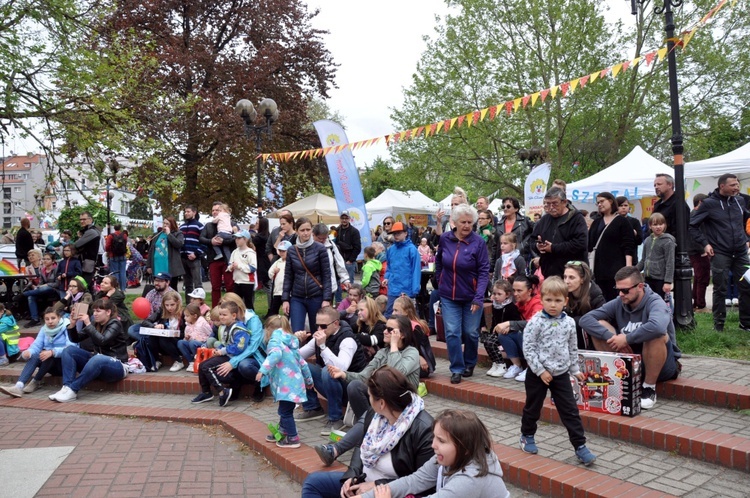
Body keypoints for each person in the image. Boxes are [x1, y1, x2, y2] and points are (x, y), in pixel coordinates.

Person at [301, 366, 434, 498]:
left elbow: (421, 483)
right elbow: (361, 445)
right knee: (313, 483)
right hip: (363, 482)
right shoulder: (375, 414)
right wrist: (352, 475)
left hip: (390, 492)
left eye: (369, 396)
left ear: (381, 403)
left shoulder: (424, 429)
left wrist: (376, 485)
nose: (369, 400)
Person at [518, 276, 597, 466]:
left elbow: (572, 347)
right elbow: (528, 348)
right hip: (538, 375)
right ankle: (527, 435)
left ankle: (580, 446)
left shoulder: (569, 323)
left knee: (570, 411)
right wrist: (539, 370)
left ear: (565, 301)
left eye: (558, 300)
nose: (553, 305)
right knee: (533, 407)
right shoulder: (536, 321)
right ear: (542, 299)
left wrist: (574, 369)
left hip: (560, 374)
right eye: (549, 300)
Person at [579, 266, 682, 409]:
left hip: (662, 363)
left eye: (625, 290)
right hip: (631, 361)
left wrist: (626, 339)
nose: (621, 294)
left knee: (656, 334)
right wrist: (613, 337)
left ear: (640, 286)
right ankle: (619, 378)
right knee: (600, 326)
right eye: (618, 289)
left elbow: (658, 327)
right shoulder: (619, 302)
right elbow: (585, 320)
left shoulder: (655, 302)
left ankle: (649, 388)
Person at [358, 409, 510, 498]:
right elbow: (413, 481)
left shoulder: (470, 480)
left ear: (465, 448)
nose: (433, 445)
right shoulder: (447, 459)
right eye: (434, 438)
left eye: (441, 441)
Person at [435, 204, 490, 384]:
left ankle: (470, 362)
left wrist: (479, 296)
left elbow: (484, 271)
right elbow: (439, 260)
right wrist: (439, 279)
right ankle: (457, 368)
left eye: (470, 222)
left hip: (471, 296)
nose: (467, 225)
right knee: (452, 332)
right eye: (463, 222)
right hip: (448, 295)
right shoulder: (445, 239)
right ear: (455, 222)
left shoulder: (478, 242)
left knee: (471, 333)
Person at [689, 173, 750, 332]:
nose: (737, 187)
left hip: (741, 252)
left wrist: (746, 237)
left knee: (747, 286)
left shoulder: (741, 200)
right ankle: (719, 326)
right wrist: (705, 244)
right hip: (720, 252)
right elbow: (692, 226)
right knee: (720, 288)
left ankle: (746, 324)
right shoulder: (709, 204)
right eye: (733, 185)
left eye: (737, 184)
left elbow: (745, 221)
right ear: (722, 186)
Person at [295, 306, 367, 434]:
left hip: (351, 390)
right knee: (301, 365)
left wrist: (322, 346)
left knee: (328, 371)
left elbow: (341, 368)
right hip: (333, 386)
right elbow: (296, 357)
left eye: (323, 326)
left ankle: (335, 418)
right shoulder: (321, 336)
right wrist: (294, 341)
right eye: (317, 325)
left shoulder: (347, 339)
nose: (319, 330)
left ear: (336, 324)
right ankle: (313, 407)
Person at [49, 299, 129, 402]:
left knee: (97, 358)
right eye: (94, 311)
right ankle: (66, 387)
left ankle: (72, 390)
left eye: (98, 311)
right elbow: (76, 339)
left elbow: (102, 341)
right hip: (97, 363)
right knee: (69, 350)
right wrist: (72, 324)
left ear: (108, 312)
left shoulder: (115, 324)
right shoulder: (95, 323)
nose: (95, 314)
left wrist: (87, 323)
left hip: (117, 365)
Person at [256, 314, 314, 449]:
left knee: (285, 412)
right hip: (294, 384)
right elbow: (303, 364)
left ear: (269, 329)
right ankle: (283, 431)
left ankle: (293, 437)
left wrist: (262, 370)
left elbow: (275, 355)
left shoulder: (275, 342)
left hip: (285, 385)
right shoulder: (291, 344)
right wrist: (309, 380)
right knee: (285, 409)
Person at [0, 307, 72, 397]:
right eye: (47, 319)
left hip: (63, 365)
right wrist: (29, 352)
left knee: (49, 355)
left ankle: (36, 381)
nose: (50, 321)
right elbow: (36, 345)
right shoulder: (44, 329)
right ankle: (19, 386)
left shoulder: (68, 327)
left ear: (59, 318)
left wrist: (52, 352)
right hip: (48, 364)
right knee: (35, 355)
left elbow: (71, 347)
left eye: (53, 318)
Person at [191, 300, 249, 407]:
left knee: (206, 367)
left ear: (234, 315)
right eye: (220, 314)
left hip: (234, 358)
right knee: (203, 365)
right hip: (226, 355)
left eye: (224, 315)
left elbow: (239, 348)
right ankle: (206, 393)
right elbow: (225, 343)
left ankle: (222, 391)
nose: (221, 317)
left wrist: (222, 351)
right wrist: (218, 350)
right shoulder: (225, 327)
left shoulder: (239, 329)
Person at [282, 217, 332, 333]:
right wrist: (285, 299)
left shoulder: (320, 249)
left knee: (318, 331)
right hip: (297, 297)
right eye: (302, 230)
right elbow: (288, 276)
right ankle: (298, 351)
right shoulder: (291, 250)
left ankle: (318, 351)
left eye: (308, 230)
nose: (305, 233)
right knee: (297, 332)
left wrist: (326, 298)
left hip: (316, 296)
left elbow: (326, 275)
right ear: (296, 231)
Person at [588, 192, 635, 302]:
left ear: (610, 201)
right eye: (598, 202)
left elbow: (628, 245)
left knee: (615, 298)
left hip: (616, 267)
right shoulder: (596, 222)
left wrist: (628, 268)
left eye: (602, 201)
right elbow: (590, 245)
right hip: (598, 269)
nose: (599, 204)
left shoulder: (622, 221)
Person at [531, 187, 588, 278]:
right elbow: (532, 240)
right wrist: (538, 246)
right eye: (548, 204)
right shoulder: (544, 220)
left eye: (555, 203)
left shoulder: (577, 219)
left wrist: (553, 248)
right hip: (549, 275)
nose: (551, 207)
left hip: (572, 275)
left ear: (564, 202)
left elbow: (580, 244)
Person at [496, 274, 543, 382]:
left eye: (519, 290)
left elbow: (532, 324)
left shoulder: (537, 303)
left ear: (530, 291)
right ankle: (517, 366)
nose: (515, 294)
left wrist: (510, 324)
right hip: (526, 345)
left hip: (540, 346)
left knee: (523, 332)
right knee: (503, 334)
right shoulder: (518, 304)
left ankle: (531, 368)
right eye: (514, 290)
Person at [200, 201, 238, 307]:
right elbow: (201, 238)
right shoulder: (209, 225)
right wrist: (210, 241)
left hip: (227, 260)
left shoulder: (232, 223)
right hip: (213, 259)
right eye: (213, 210)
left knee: (230, 286)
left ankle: (231, 308)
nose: (215, 212)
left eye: (217, 210)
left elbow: (237, 239)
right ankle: (216, 310)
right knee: (215, 287)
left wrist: (224, 242)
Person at [481, 279, 521, 377]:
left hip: (508, 333)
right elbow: (495, 320)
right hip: (498, 332)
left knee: (491, 342)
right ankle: (495, 363)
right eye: (494, 294)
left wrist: (509, 328)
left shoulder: (511, 307)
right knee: (487, 341)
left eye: (499, 294)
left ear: (507, 294)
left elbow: (516, 321)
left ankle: (501, 365)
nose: (496, 297)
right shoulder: (495, 306)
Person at [563, 261, 605, 350]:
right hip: (570, 339)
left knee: (578, 322)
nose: (566, 281)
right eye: (565, 277)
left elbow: (603, 322)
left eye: (571, 277)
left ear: (582, 279)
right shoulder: (564, 293)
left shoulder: (595, 295)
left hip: (592, 339)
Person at [382, 221, 421, 317]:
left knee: (407, 316)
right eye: (394, 233)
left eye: (399, 233)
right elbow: (389, 267)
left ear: (406, 233)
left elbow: (416, 271)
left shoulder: (412, 249)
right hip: (393, 288)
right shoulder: (391, 249)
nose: (396, 235)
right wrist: (387, 277)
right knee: (390, 315)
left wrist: (414, 290)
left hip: (406, 290)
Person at [392, 296, 436, 378]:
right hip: (407, 358)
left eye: (396, 310)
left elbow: (416, 348)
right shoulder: (400, 325)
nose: (393, 313)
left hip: (422, 364)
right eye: (393, 310)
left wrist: (419, 357)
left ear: (406, 312)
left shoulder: (415, 327)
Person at [127, 272, 177, 341]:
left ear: (167, 282)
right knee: (132, 329)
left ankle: (145, 343)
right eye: (156, 280)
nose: (157, 283)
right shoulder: (151, 293)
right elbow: (148, 314)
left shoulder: (174, 295)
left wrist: (159, 326)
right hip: (151, 325)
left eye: (160, 281)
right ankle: (147, 342)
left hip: (165, 327)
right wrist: (152, 325)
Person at [637, 213, 676, 300]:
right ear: (650, 226)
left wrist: (668, 281)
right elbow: (643, 260)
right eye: (655, 224)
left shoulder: (668, 241)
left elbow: (670, 262)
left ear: (665, 225)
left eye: (661, 224)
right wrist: (633, 271)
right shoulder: (647, 240)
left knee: (661, 302)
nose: (658, 227)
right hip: (648, 278)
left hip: (660, 280)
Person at [313, 223, 351, 300]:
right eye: (320, 238)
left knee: (327, 310)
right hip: (313, 287)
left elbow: (339, 262)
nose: (322, 241)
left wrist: (345, 279)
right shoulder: (307, 245)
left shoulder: (331, 245)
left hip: (330, 286)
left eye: (325, 238)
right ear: (313, 235)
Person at [147, 216, 185, 291]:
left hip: (169, 266)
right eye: (164, 223)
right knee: (158, 286)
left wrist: (169, 234)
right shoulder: (157, 235)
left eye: (167, 223)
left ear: (172, 224)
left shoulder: (178, 233)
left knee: (171, 288)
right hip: (157, 265)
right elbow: (151, 250)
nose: (165, 225)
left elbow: (178, 244)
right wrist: (149, 265)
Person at [23, 251, 60, 327]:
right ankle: (35, 319)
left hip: (54, 290)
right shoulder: (42, 270)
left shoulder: (56, 269)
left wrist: (46, 284)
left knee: (45, 288)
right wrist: (38, 286)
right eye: (44, 259)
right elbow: (40, 283)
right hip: (43, 291)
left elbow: (57, 284)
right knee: (31, 297)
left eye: (47, 259)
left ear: (53, 261)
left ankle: (23, 294)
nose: (45, 260)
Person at [495, 196, 534, 264]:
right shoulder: (499, 224)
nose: (505, 209)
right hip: (503, 260)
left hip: (520, 259)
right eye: (503, 207)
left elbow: (537, 233)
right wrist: (492, 267)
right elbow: (495, 246)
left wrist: (526, 244)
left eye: (508, 206)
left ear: (516, 209)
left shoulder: (525, 221)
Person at [688, 194, 710, 311]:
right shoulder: (696, 214)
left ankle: (697, 301)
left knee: (698, 277)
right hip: (698, 250)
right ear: (701, 202)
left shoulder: (693, 213)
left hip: (695, 250)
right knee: (703, 277)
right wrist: (702, 250)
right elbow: (694, 234)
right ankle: (700, 304)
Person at [177, 303, 213, 371]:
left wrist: (203, 341)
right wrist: (186, 338)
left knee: (192, 343)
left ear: (195, 316)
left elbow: (210, 334)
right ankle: (191, 362)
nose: (185, 318)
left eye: (187, 316)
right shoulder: (187, 326)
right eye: (184, 316)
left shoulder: (202, 323)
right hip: (192, 344)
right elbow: (186, 339)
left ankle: (198, 360)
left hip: (202, 344)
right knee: (180, 343)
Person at [653, 173, 689, 240]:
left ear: (670, 185)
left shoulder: (679, 205)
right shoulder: (657, 205)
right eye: (655, 185)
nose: (656, 187)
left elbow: (680, 232)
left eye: (659, 184)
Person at [179, 204, 205, 297]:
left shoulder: (199, 226)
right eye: (185, 212)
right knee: (187, 284)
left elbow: (204, 243)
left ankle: (200, 306)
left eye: (188, 211)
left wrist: (196, 254)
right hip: (183, 258)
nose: (186, 213)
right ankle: (188, 305)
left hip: (194, 258)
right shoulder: (181, 227)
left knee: (198, 284)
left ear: (194, 212)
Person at [335, 210, 361, 302]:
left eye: (346, 218)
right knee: (337, 283)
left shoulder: (354, 231)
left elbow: (357, 247)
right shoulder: (337, 230)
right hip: (338, 261)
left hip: (349, 261)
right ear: (340, 219)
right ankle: (339, 303)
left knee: (349, 285)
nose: (344, 220)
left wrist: (350, 260)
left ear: (349, 219)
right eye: (343, 218)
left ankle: (351, 302)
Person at [228, 230, 257, 310]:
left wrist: (239, 266)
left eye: (239, 238)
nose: (236, 240)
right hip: (237, 281)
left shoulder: (250, 252)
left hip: (247, 281)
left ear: (245, 239)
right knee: (236, 303)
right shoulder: (234, 252)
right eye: (236, 238)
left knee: (248, 303)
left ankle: (251, 319)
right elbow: (229, 264)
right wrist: (231, 267)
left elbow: (253, 268)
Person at [73, 211, 102, 289]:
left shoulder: (91, 232)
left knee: (83, 286)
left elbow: (76, 245)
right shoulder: (88, 231)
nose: (82, 221)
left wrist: (80, 237)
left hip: (88, 264)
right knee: (84, 286)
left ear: (90, 220)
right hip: (86, 263)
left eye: (84, 219)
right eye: (80, 219)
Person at [616, 196, 643, 265]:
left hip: (632, 257)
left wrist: (635, 234)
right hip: (616, 258)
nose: (623, 207)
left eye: (625, 205)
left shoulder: (634, 222)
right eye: (620, 205)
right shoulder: (613, 221)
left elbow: (640, 240)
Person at [266, 240, 290, 317]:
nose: (282, 253)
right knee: (273, 311)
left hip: (288, 293)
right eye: (280, 251)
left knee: (288, 311)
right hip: (277, 292)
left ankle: (287, 325)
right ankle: (273, 324)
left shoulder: (291, 262)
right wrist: (274, 271)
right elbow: (270, 274)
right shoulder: (277, 262)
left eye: (284, 251)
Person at [104, 223, 128, 292]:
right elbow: (125, 244)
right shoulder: (124, 235)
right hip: (122, 255)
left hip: (113, 255)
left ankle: (116, 288)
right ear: (120, 228)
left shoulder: (111, 236)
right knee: (123, 272)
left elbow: (107, 246)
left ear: (114, 228)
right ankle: (123, 288)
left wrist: (109, 251)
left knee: (115, 272)